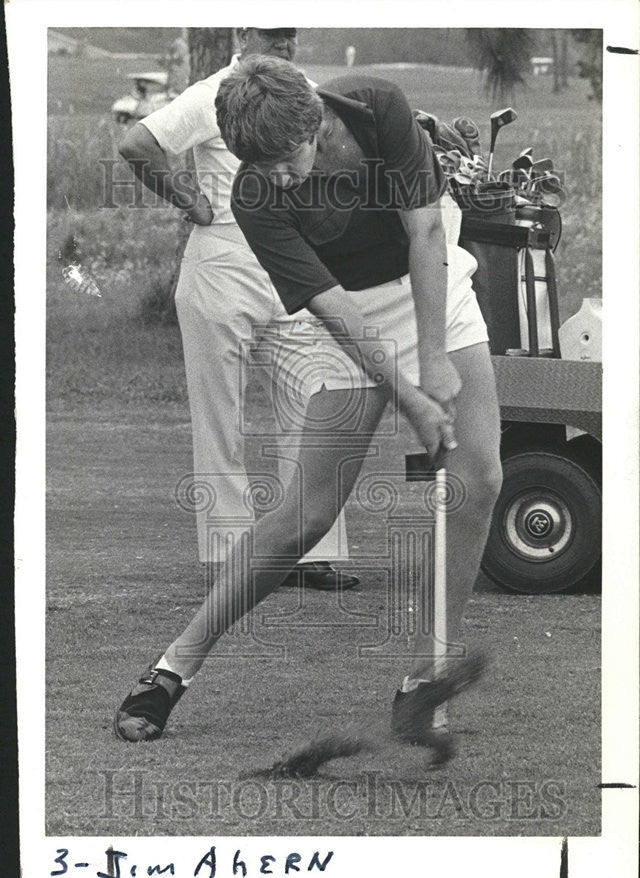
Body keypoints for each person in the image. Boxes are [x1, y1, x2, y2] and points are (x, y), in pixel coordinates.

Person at [115, 56, 503, 755]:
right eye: (259, 166)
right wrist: (410, 394)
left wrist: (435, 359)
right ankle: (174, 667)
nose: (280, 179)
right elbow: (330, 307)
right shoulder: (255, 195)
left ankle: (426, 682)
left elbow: (427, 233)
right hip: (352, 316)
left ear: (316, 122)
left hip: (433, 286)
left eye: (288, 159)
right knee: (306, 516)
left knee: (480, 480)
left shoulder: (376, 106)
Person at [119, 27, 358, 592]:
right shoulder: (213, 92)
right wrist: (192, 201)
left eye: (291, 36)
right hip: (224, 257)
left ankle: (307, 548)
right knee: (220, 415)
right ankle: (230, 553)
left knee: (312, 402)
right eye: (271, 35)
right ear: (244, 33)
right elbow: (136, 144)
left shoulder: (305, 91)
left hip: (290, 263)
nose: (283, 45)